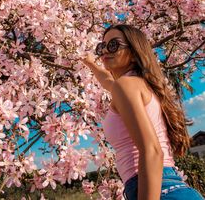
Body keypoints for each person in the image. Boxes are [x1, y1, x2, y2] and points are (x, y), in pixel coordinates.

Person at [82, 24, 204, 200]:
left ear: (133, 52)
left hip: (156, 190)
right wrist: (90, 63)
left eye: (113, 45)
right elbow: (107, 80)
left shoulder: (126, 85)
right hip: (172, 187)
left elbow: (152, 151)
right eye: (101, 46)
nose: (105, 51)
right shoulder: (135, 85)